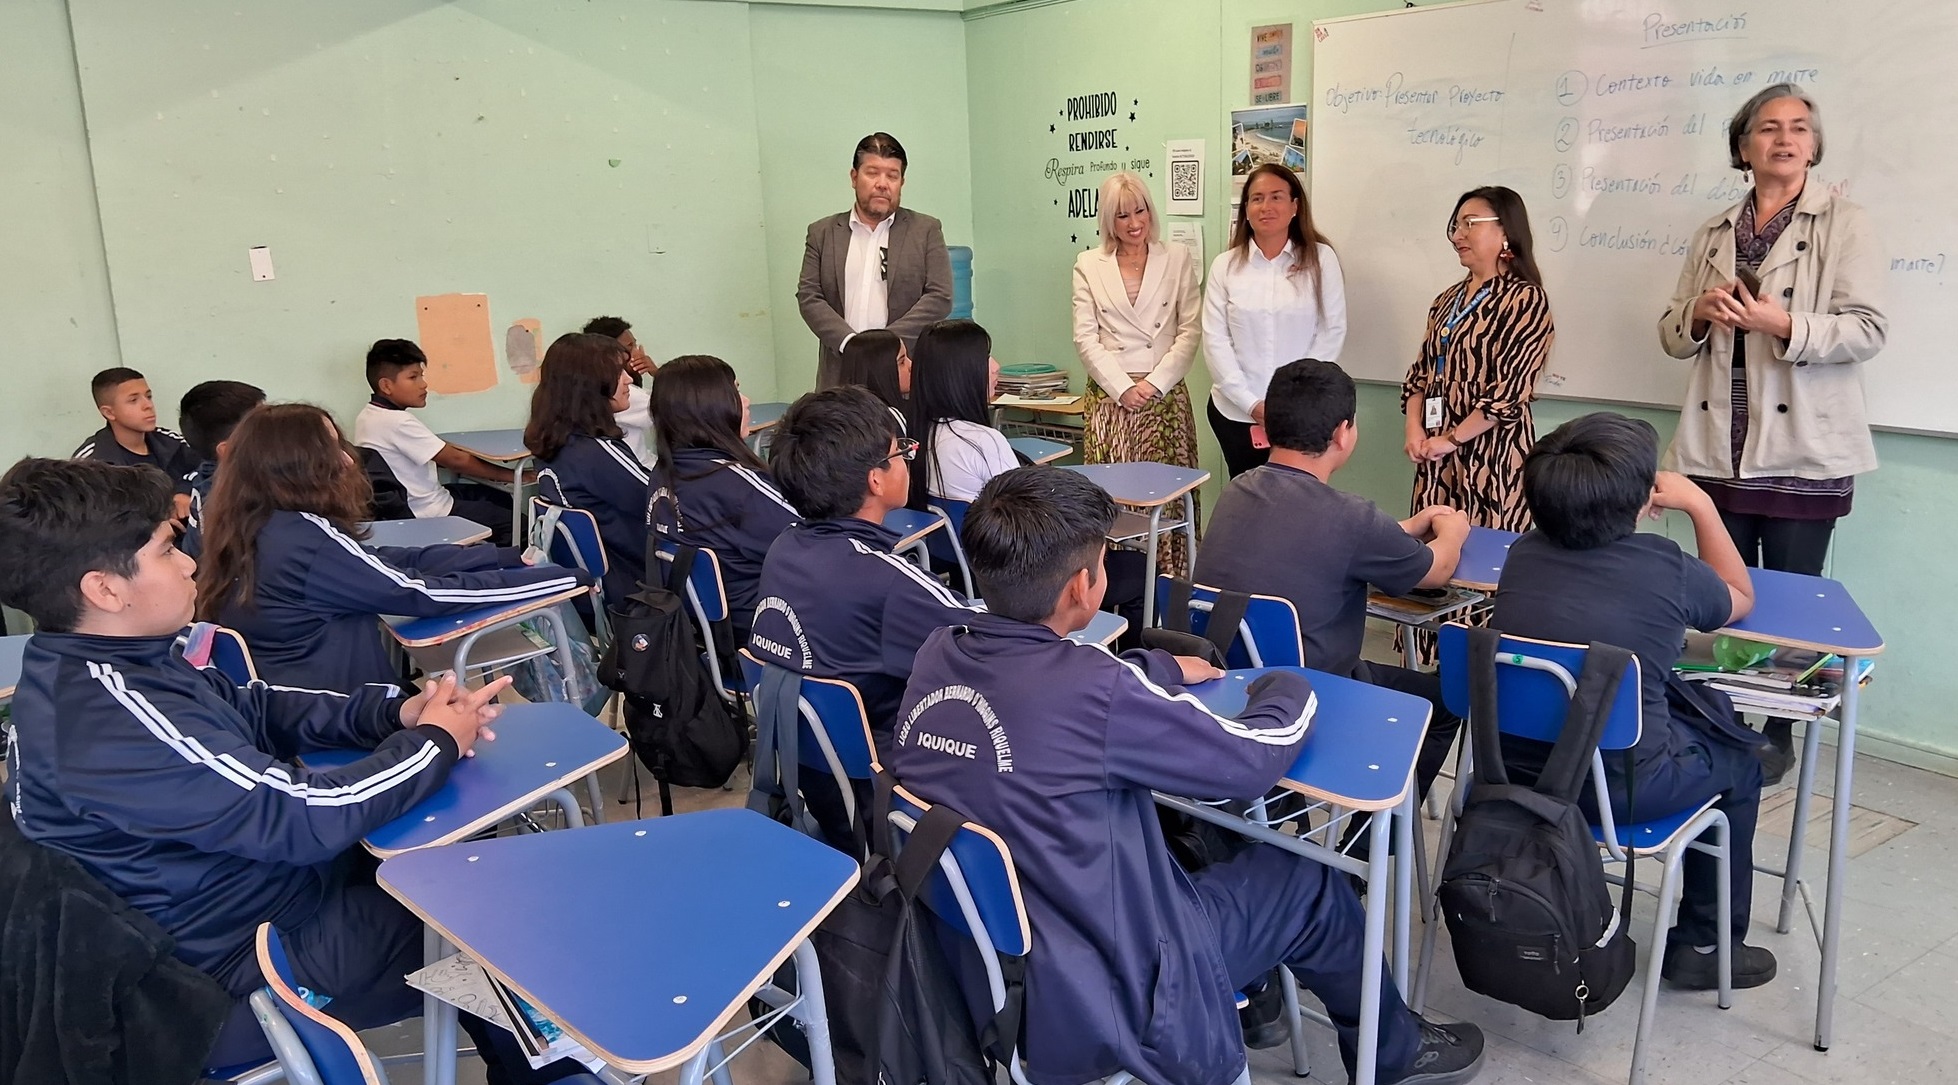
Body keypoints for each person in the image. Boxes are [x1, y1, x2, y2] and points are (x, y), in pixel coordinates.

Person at [886, 466, 1486, 1085]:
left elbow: (1081, 688)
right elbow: (1252, 760)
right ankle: (1395, 1051)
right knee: (1304, 881)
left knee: (1201, 855)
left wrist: (1157, 669)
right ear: (1081, 588)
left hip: (988, 966)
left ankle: (1256, 1000)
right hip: (1114, 988)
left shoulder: (940, 651)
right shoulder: (1094, 692)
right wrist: (1287, 685)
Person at [0, 456, 581, 1082]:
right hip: (228, 976)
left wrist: (398, 711)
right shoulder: (109, 717)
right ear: (105, 589)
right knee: (497, 914)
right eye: (168, 550)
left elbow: (253, 705)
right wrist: (436, 741)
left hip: (249, 904)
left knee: (464, 852)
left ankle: (530, 1055)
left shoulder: (108, 662)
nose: (191, 561)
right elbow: (300, 815)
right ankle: (552, 1071)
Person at [1491, 412, 1774, 991]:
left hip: (1513, 783)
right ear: (1645, 500)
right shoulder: (1666, 568)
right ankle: (1703, 943)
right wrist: (1701, 505)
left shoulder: (1521, 555)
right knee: (1743, 765)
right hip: (1620, 794)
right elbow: (1741, 596)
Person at [1657, 84, 1887, 780]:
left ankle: (1779, 727)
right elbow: (1672, 334)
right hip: (1715, 446)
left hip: (1802, 449)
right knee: (1716, 592)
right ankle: (1719, 713)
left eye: (1798, 129)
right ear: (1742, 146)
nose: (1784, 140)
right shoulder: (1711, 231)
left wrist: (1782, 325)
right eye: (1767, 128)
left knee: (1788, 593)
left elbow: (1868, 328)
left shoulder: (1846, 223)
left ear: (1814, 146)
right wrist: (1699, 309)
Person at [1196, 359, 1469, 805]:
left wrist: (1406, 526)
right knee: (1444, 702)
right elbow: (1435, 570)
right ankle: (1366, 847)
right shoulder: (1350, 516)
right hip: (1316, 692)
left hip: (1225, 681)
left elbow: (1318, 537)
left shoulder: (1239, 489)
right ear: (1343, 433)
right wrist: (1452, 529)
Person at [197, 405, 587, 691]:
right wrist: (561, 579)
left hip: (297, 700)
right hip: (344, 712)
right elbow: (417, 593)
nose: (349, 461)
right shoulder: (304, 537)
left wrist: (500, 556)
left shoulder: (253, 521)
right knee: (474, 719)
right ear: (295, 467)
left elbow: (379, 563)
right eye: (332, 450)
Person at [751, 386, 978, 740]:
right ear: (876, 479)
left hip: (812, 765)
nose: (907, 459)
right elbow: (990, 642)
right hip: (886, 767)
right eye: (901, 451)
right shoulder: (887, 581)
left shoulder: (784, 547)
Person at [1400, 186, 1554, 534]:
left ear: (1505, 231)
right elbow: (1420, 374)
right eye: (1455, 226)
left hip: (1492, 455)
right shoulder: (1446, 300)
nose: (1458, 235)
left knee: (1486, 560)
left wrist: (1453, 439)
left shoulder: (1525, 299)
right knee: (1433, 554)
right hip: (1436, 453)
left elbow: (1509, 393)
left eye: (1470, 223)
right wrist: (1415, 428)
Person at [1072, 171, 1204, 574]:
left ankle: (1169, 583)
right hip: (1111, 400)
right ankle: (1118, 586)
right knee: (1115, 498)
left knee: (1166, 498)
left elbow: (1190, 329)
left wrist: (1151, 384)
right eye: (1122, 216)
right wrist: (1122, 388)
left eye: (1140, 211)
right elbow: (1085, 337)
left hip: (1163, 397)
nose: (1134, 224)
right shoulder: (1088, 264)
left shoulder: (1176, 257)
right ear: (1107, 220)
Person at [1203, 164, 1346, 477]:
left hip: (1301, 412)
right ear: (1246, 210)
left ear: (1295, 206)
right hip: (1236, 412)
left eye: (1276, 197)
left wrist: (1291, 401)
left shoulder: (1321, 259)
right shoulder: (1225, 266)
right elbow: (1215, 340)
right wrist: (1252, 404)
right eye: (1256, 199)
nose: (1266, 206)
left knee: (1297, 500)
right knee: (1247, 498)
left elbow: (1331, 331)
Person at [645, 355, 799, 641]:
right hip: (762, 629)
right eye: (736, 391)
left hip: (702, 630)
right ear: (709, 408)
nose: (747, 400)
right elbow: (818, 539)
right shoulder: (738, 484)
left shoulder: (663, 472)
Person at [797, 132, 953, 389]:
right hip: (840, 372)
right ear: (854, 177)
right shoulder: (822, 233)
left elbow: (940, 296)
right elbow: (809, 296)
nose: (883, 183)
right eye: (872, 173)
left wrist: (886, 346)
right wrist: (850, 343)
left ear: (902, 182)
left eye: (892, 176)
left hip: (904, 374)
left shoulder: (925, 230)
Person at [525, 332, 652, 604]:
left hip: (597, 585)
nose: (629, 379)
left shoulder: (556, 444)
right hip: (636, 583)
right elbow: (661, 503)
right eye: (619, 372)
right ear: (590, 384)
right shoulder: (597, 452)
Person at [353, 338, 520, 540]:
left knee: (499, 497)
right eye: (413, 377)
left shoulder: (367, 416)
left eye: (421, 375)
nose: (424, 385)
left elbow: (435, 451)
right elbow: (457, 461)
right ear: (387, 386)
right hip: (428, 511)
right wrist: (515, 477)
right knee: (516, 523)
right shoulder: (398, 421)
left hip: (408, 503)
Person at [908, 319, 1016, 507]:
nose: (996, 366)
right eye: (985, 356)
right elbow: (1026, 518)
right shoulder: (983, 442)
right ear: (958, 372)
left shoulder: (920, 436)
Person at [72, 367, 200, 521]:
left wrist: (183, 491)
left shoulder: (170, 441)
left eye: (149, 396)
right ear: (109, 413)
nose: (148, 406)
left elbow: (209, 466)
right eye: (133, 400)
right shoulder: (90, 462)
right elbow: (84, 520)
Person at [176, 379, 266, 560]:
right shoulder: (227, 503)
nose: (278, 429)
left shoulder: (239, 472)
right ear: (227, 450)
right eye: (264, 426)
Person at [582, 315, 655, 459]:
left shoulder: (587, 384)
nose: (637, 352)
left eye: (635, 344)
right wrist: (658, 373)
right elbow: (676, 409)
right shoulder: (618, 391)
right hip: (638, 469)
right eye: (629, 347)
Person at [836, 328, 912, 433]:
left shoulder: (841, 416)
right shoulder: (887, 421)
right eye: (902, 362)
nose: (911, 365)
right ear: (879, 371)